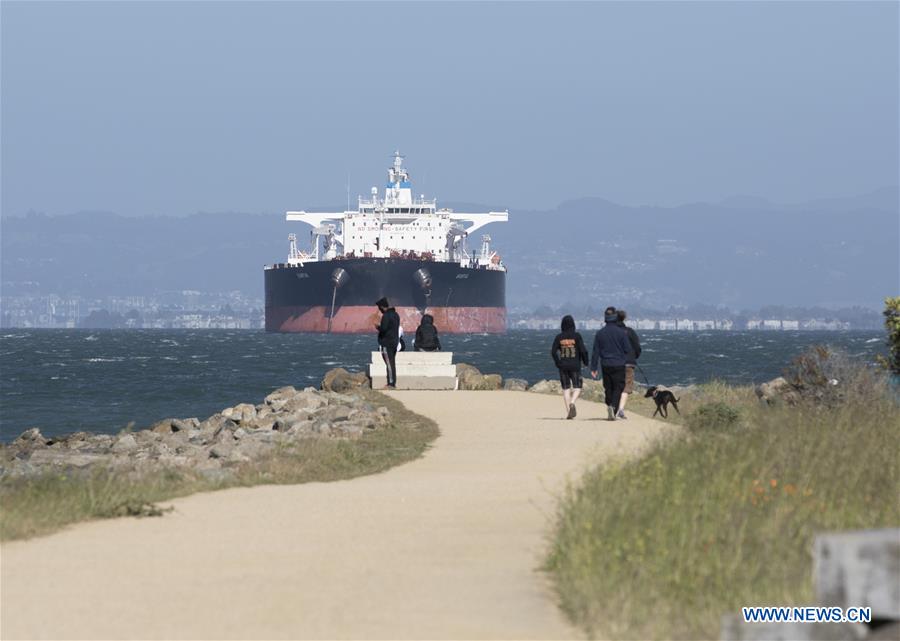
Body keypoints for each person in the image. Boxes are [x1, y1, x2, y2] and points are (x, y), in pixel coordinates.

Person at [590, 306, 633, 421]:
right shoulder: (622, 333)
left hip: (605, 364)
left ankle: (609, 404)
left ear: (605, 319)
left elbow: (595, 352)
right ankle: (613, 407)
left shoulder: (600, 333)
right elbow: (628, 349)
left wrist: (593, 368)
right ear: (615, 318)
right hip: (619, 364)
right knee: (618, 387)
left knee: (608, 387)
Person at [551, 315, 589, 419]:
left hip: (563, 366)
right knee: (577, 387)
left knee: (566, 389)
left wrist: (558, 363)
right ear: (573, 324)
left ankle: (569, 412)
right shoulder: (577, 336)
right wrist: (586, 362)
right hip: (575, 365)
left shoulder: (559, 337)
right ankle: (572, 402)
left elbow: (553, 352)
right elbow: (583, 351)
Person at [616, 309, 642, 419]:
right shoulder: (630, 331)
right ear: (624, 318)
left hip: (614, 362)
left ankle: (614, 407)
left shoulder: (612, 332)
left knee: (616, 385)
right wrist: (634, 357)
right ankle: (621, 409)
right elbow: (637, 347)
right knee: (626, 387)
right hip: (629, 363)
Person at [374, 297, 400, 388]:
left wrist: (378, 327)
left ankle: (391, 383)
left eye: (379, 307)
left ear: (382, 307)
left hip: (386, 343)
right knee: (392, 362)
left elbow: (384, 329)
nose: (379, 309)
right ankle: (392, 382)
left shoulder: (386, 316)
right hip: (394, 342)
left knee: (389, 363)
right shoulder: (396, 315)